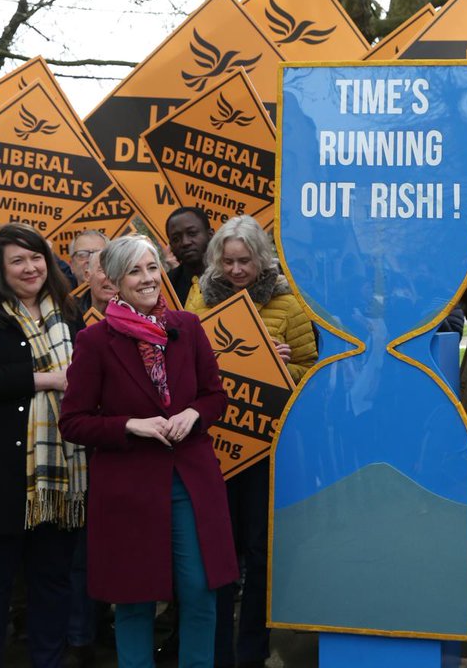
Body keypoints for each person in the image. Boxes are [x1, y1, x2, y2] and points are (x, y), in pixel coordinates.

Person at [60, 235, 238, 667]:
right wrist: (129, 425)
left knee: (200, 590)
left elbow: (215, 396)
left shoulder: (187, 327)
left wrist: (194, 414)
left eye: (152, 268)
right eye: (135, 271)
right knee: (134, 599)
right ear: (116, 282)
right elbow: (73, 421)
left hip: (191, 481)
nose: (147, 279)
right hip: (129, 489)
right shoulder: (95, 340)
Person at [0, 223, 88, 668]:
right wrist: (49, 379)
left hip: (59, 474)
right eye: (18, 260)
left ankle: (48, 660)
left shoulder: (69, 312)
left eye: (36, 257)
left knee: (52, 579)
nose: (30, 268)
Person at [187, 215, 317, 668]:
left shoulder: (287, 302)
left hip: (266, 449)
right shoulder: (199, 297)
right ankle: (218, 651)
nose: (237, 270)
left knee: (261, 554)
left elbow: (310, 370)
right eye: (228, 262)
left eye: (245, 261)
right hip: (214, 447)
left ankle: (252, 651)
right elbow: (183, 364)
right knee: (217, 554)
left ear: (261, 259)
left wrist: (284, 365)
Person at [165, 207, 213, 305]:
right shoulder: (167, 287)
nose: (185, 242)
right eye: (176, 239)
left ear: (210, 234)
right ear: (171, 246)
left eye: (192, 233)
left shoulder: (234, 274)